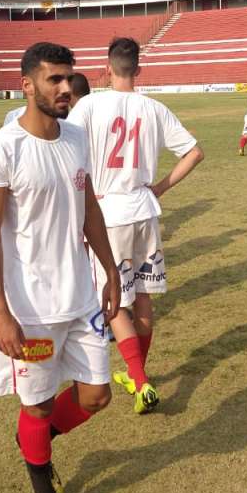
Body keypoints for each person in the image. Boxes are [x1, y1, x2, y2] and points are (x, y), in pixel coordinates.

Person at [0, 42, 121, 493]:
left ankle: (34, 438)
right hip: (31, 309)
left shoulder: (77, 137)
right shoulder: (2, 149)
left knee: (97, 396)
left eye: (68, 78)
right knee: (37, 404)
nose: (64, 87)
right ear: (27, 85)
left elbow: (89, 207)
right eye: (53, 79)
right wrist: (0, 311)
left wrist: (111, 271)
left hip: (81, 299)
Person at [68, 37, 203, 414]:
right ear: (139, 70)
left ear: (107, 68)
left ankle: (140, 382)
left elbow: (67, 152)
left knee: (114, 301)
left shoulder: (89, 105)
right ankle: (137, 373)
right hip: (145, 210)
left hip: (107, 213)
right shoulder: (154, 108)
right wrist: (160, 186)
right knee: (141, 295)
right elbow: (195, 152)